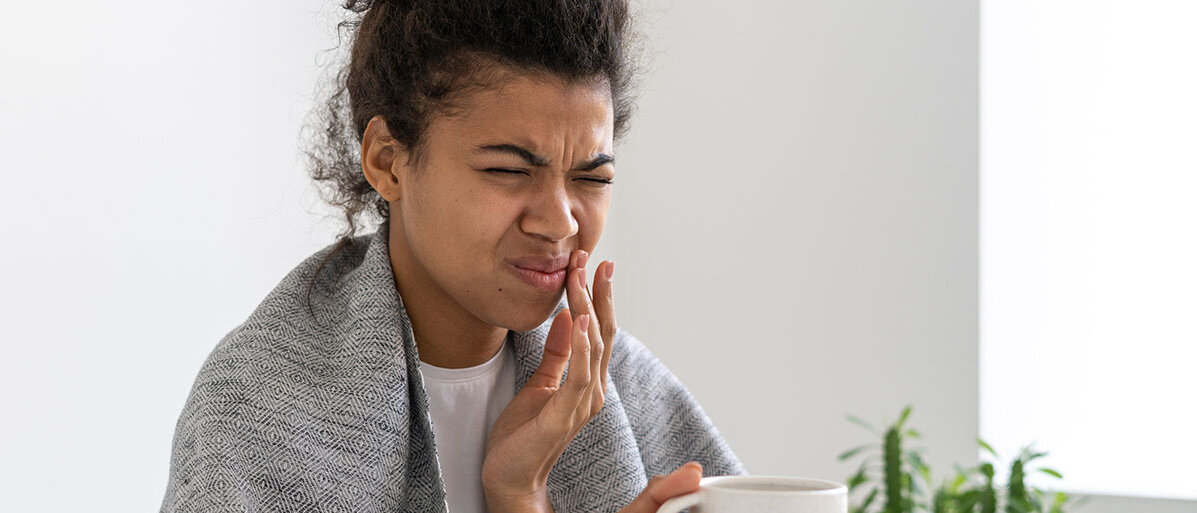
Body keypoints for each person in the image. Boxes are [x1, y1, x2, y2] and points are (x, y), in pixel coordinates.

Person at [160, 1, 745, 512]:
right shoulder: (261, 406)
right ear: (389, 161)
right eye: (508, 171)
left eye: (592, 179)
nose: (561, 220)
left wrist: (521, 496)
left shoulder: (619, 386)